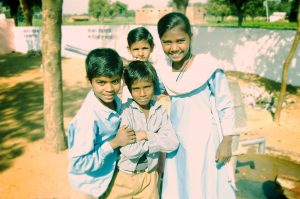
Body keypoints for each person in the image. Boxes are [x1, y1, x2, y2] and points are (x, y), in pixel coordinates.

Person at [155, 12, 238, 199]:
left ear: (190, 38)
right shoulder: (163, 70)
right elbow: (150, 93)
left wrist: (227, 141)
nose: (174, 48)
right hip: (176, 140)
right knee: (180, 185)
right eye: (167, 42)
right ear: (160, 42)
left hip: (205, 141)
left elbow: (225, 106)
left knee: (203, 187)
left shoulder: (207, 67)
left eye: (180, 41)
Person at [104, 61, 179, 199]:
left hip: (150, 178)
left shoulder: (160, 111)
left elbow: (172, 143)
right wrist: (157, 140)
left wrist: (145, 135)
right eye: (136, 89)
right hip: (123, 179)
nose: (143, 93)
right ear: (129, 89)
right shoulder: (125, 111)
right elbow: (129, 151)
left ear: (154, 86)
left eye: (147, 87)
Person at [67, 48, 136, 199]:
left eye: (115, 81)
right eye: (101, 82)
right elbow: (79, 163)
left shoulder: (113, 100)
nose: (109, 89)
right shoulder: (88, 119)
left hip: (107, 178)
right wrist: (114, 143)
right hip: (90, 187)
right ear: (89, 81)